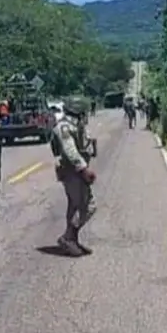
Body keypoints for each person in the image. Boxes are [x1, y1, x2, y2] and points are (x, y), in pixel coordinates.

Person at [50, 97, 97, 256]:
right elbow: (70, 151)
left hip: (75, 171)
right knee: (88, 206)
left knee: (75, 205)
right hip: (72, 171)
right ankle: (68, 237)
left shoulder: (75, 125)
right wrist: (83, 169)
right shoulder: (64, 127)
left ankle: (73, 240)